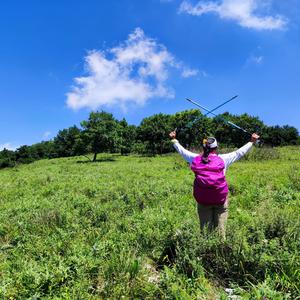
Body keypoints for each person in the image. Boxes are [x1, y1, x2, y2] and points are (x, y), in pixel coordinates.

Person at [169, 131, 260, 238]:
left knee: (206, 233)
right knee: (221, 233)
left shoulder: (195, 159)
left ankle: (206, 252)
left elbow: (183, 152)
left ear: (203, 147)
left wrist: (174, 140)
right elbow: (239, 153)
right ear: (216, 147)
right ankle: (221, 250)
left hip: (203, 201)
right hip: (220, 199)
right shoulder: (223, 159)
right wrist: (252, 141)